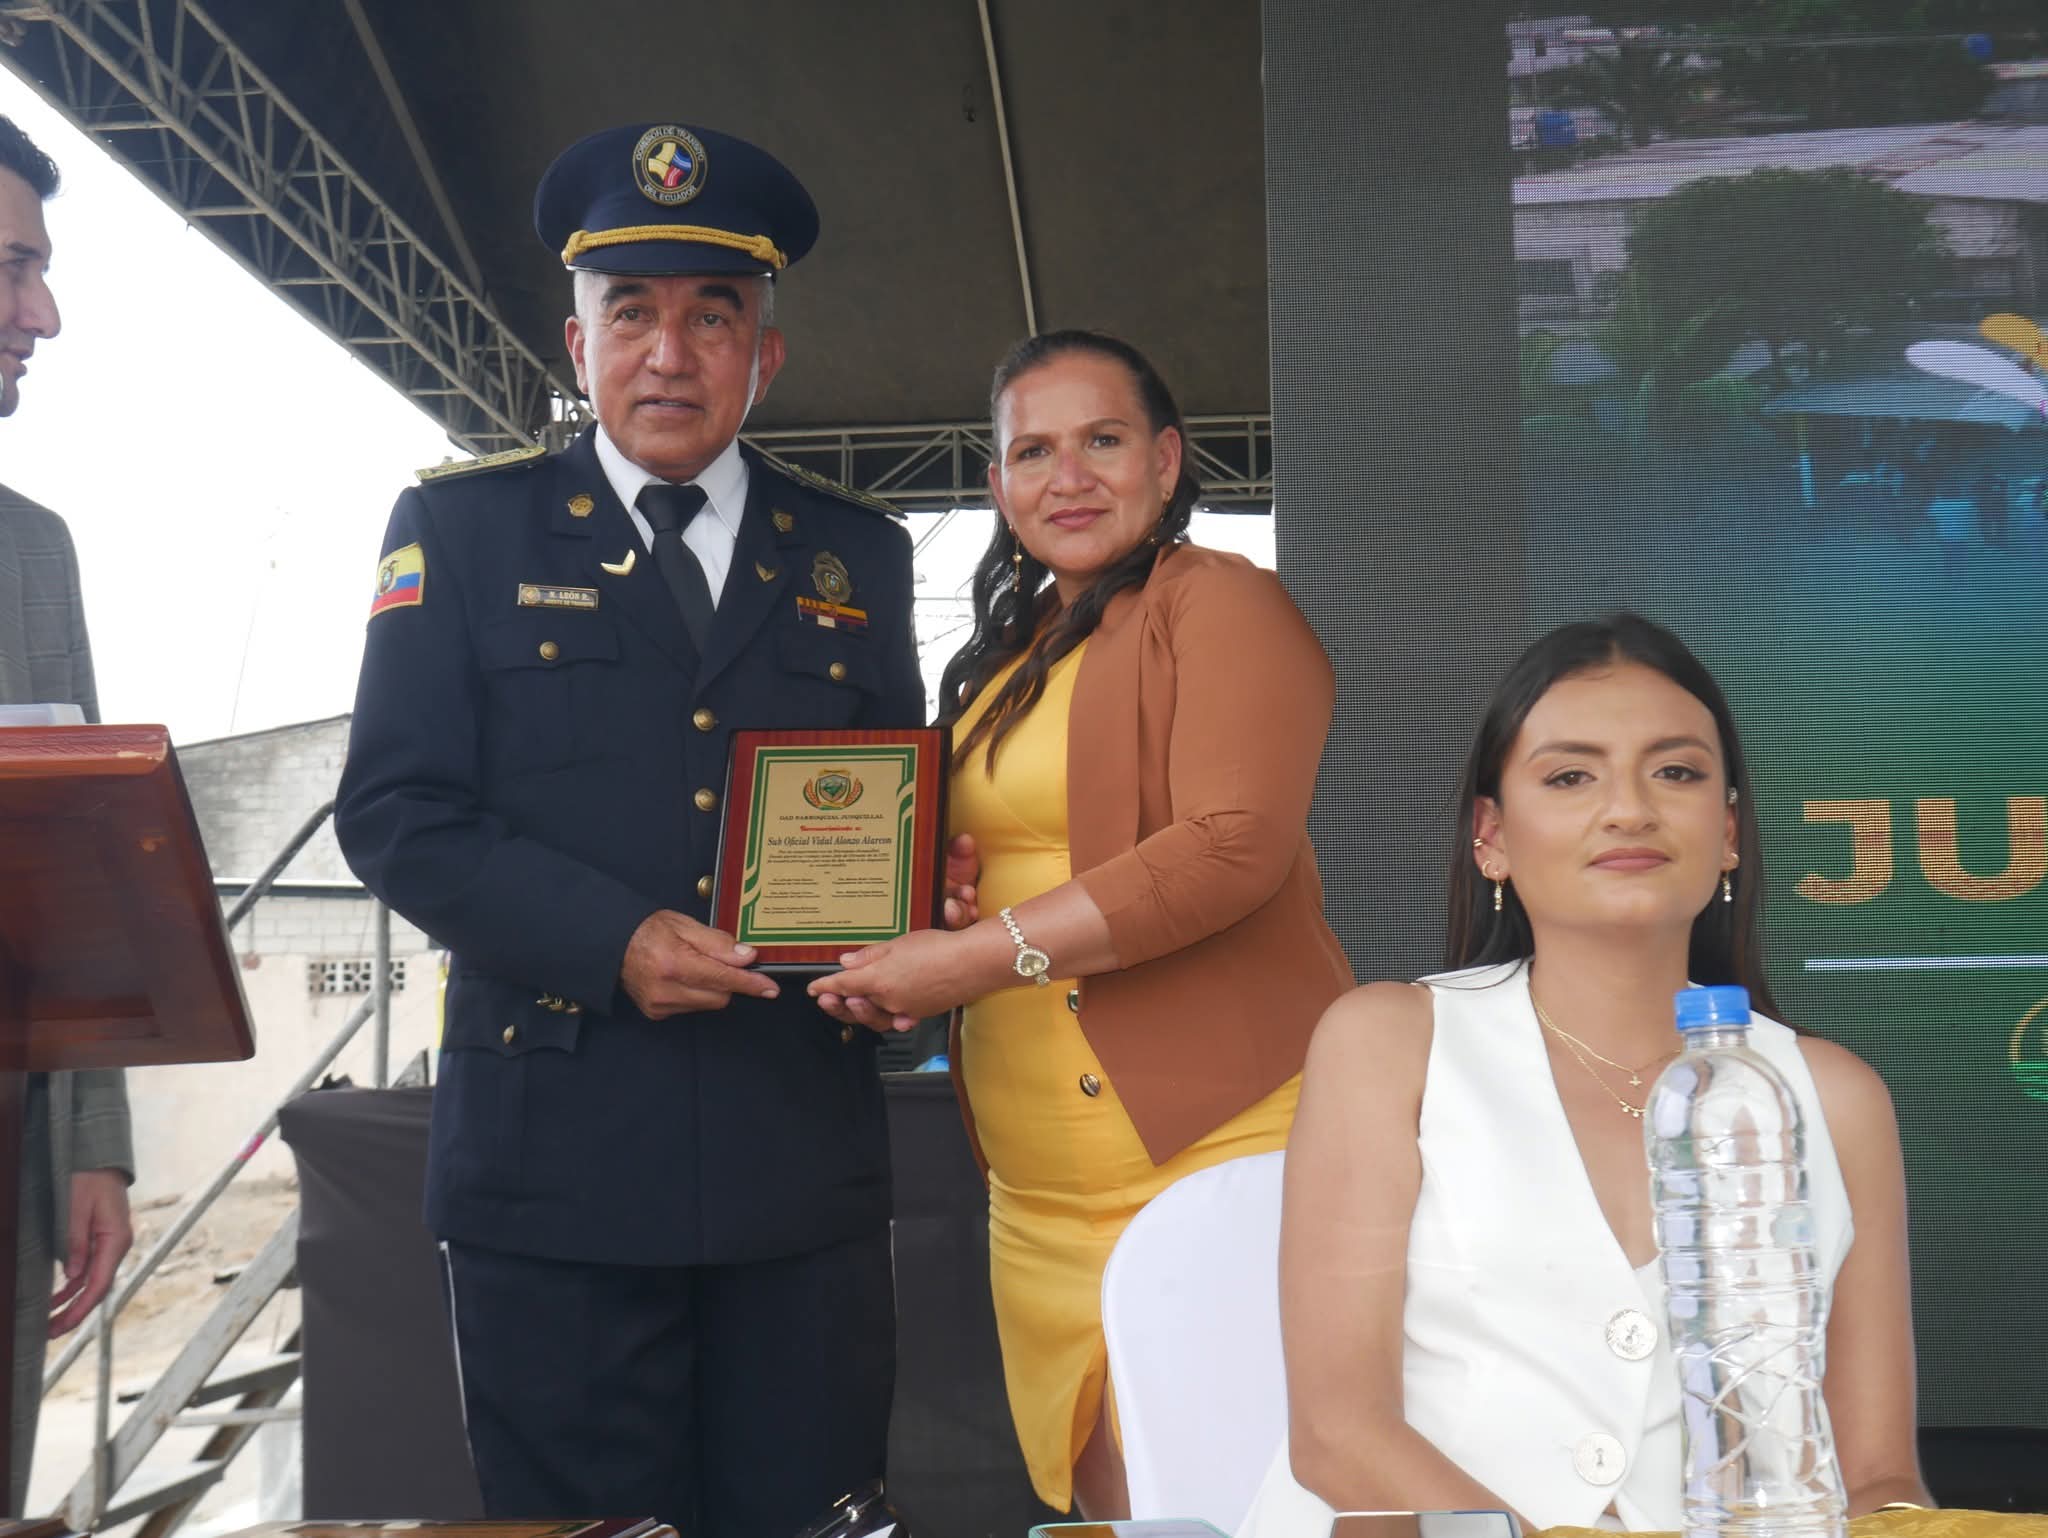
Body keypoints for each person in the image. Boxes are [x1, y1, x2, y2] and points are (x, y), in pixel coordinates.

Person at [333, 121, 922, 1538]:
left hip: (795, 1168)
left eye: (712, 316)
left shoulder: (859, 554)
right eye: (631, 313)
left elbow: (888, 809)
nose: (670, 354)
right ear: (576, 340)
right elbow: (396, 812)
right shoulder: (462, 530)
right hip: (558, 1175)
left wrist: (921, 917)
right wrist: (611, 938)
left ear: (764, 355)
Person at [808, 330, 1353, 1519]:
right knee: (1112, 1504)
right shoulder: (1009, 656)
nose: (1068, 477)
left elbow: (1229, 846)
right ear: (997, 484)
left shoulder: (1221, 600)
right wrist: (936, 907)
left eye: (1101, 440)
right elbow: (1025, 860)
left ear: (1165, 460)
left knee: (1248, 1506)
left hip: (1212, 1148)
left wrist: (966, 955)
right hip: (1036, 1183)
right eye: (1032, 451)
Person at [1239, 613, 1928, 1536]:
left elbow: (1877, 1473)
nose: (1629, 809)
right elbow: (1339, 1434)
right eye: (1571, 776)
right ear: (1491, 836)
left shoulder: (1834, 1097)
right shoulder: (1389, 1043)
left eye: (1676, 772)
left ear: (1728, 830)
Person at [0, 114, 137, 1516]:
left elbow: (86, 869)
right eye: (12, 268)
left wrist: (93, 1135)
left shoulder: (36, 554)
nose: (42, 314)